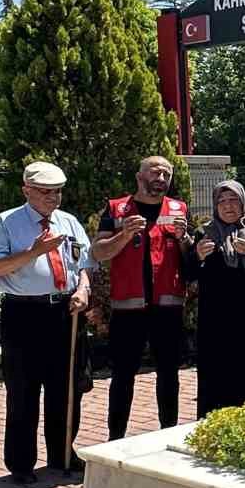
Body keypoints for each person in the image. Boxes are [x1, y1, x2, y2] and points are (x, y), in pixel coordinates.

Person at [0, 161, 92, 484]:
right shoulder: (7, 223)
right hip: (24, 314)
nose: (52, 198)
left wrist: (84, 289)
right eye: (45, 192)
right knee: (23, 390)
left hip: (64, 312)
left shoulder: (68, 222)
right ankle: (21, 463)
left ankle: (62, 452)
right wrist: (34, 251)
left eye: (57, 192)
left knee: (66, 387)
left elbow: (82, 264)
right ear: (26, 190)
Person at [91, 155, 191, 439]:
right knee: (123, 375)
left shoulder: (178, 209)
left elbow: (188, 258)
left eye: (166, 174)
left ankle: (168, 434)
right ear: (139, 176)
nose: (161, 179)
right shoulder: (116, 209)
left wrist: (185, 239)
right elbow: (98, 253)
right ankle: (115, 438)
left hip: (168, 306)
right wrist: (123, 235)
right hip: (128, 307)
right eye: (155, 172)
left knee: (169, 374)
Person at [184, 179, 245, 417]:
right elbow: (188, 273)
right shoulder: (205, 232)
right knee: (217, 378)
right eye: (222, 201)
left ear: (243, 202)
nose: (228, 206)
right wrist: (198, 256)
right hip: (216, 320)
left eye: (233, 200)